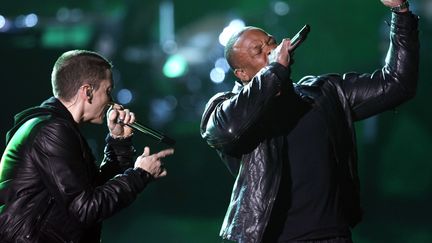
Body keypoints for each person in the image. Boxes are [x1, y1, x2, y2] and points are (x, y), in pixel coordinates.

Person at [200, 0, 419, 242]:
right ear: (241, 73)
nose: (270, 51)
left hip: (332, 236)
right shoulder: (224, 108)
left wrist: (401, 13)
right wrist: (274, 71)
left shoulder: (324, 93)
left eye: (270, 42)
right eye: (258, 51)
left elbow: (398, 84)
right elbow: (228, 131)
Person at [0, 50, 174, 243]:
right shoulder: (53, 131)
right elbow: (86, 209)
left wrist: (118, 141)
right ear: (87, 91)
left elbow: (96, 192)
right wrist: (141, 174)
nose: (112, 102)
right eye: (108, 91)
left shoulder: (57, 127)